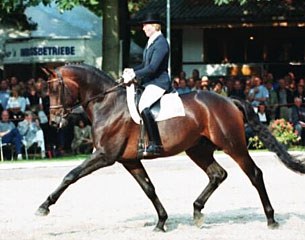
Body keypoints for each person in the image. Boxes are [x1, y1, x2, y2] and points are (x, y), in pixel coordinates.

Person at [122, 13, 171, 157]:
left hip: (159, 82)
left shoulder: (161, 43)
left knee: (143, 105)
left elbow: (153, 68)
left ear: (154, 26)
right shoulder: (151, 43)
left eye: (145, 25)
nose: (143, 28)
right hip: (150, 82)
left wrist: (135, 75)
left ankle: (156, 143)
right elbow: (144, 65)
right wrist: (131, 71)